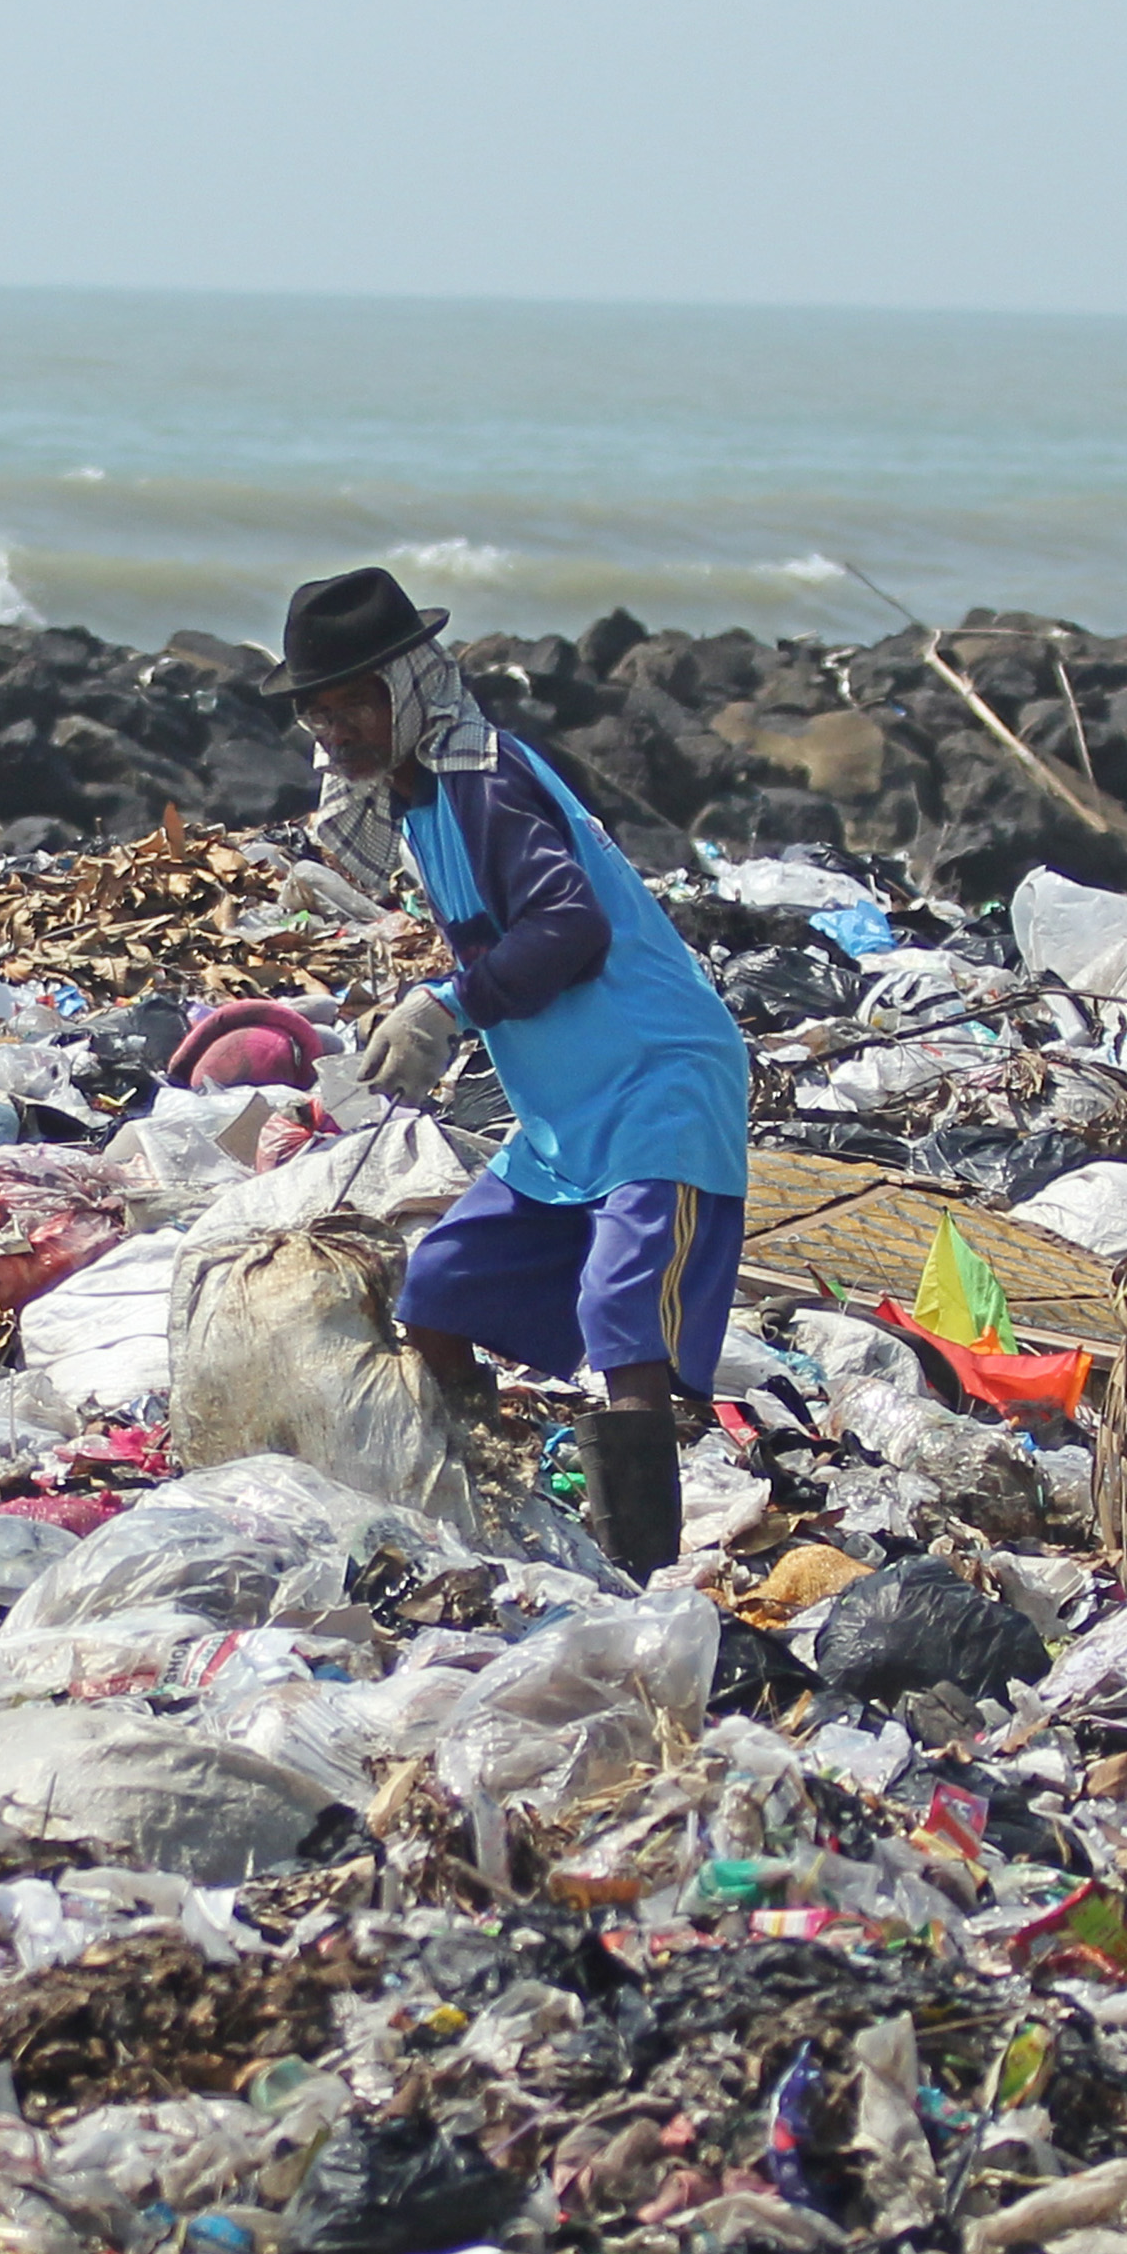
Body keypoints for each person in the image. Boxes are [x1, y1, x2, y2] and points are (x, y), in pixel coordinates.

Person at [263, 565, 752, 1572]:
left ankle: (640, 1580)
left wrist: (447, 1006)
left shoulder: (481, 780)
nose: (337, 729)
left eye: (354, 700)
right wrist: (432, 1016)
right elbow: (498, 945)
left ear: (408, 688)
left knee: (621, 1315)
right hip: (567, 1113)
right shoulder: (415, 803)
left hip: (656, 1083)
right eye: (319, 712)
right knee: (438, 1290)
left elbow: (568, 925)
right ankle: (488, 1505)